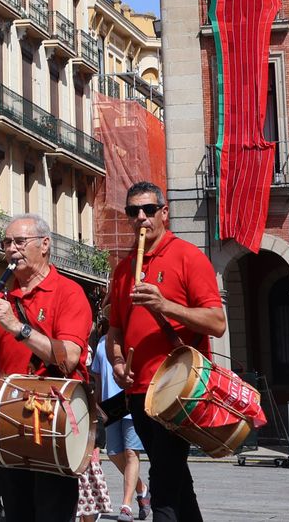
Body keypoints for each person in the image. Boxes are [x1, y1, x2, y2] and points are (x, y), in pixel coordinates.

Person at [105, 181, 226, 522]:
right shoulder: (124, 268)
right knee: (172, 474)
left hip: (180, 389)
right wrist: (116, 362)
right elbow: (115, 330)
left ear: (164, 213)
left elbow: (217, 322)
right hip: (140, 390)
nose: (140, 218)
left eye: (148, 210)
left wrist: (166, 305)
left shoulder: (188, 256)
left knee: (163, 479)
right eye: (133, 212)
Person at [0, 212, 93, 522]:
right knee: (16, 513)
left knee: (51, 512)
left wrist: (18, 327)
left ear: (44, 245)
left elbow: (68, 357)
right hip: (10, 426)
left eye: (20, 241)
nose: (12, 249)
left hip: (52, 425)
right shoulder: (5, 297)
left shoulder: (69, 293)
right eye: (7, 243)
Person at [91, 317, 149, 521]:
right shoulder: (101, 343)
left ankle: (126, 506)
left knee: (131, 453)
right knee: (115, 453)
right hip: (110, 406)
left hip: (131, 401)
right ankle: (142, 488)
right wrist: (95, 407)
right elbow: (97, 379)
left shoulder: (133, 340)